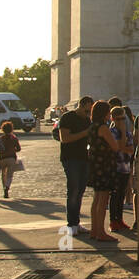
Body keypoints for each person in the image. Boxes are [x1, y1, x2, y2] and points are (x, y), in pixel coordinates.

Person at [57, 96, 94, 234]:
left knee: (80, 192)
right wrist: (85, 133)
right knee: (73, 190)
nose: (88, 114)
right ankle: (71, 224)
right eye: (87, 111)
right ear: (80, 105)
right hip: (70, 158)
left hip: (84, 158)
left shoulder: (87, 120)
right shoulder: (67, 118)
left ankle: (76, 223)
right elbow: (64, 138)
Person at [85, 100, 120, 242]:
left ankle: (94, 230)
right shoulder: (104, 128)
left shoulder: (92, 126)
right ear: (104, 113)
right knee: (103, 199)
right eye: (108, 112)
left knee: (97, 198)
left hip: (95, 165)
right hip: (104, 165)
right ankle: (101, 232)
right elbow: (115, 146)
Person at [108, 105, 134, 231]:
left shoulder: (128, 133)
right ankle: (113, 221)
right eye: (118, 119)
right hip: (115, 168)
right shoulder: (111, 132)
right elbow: (120, 147)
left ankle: (120, 219)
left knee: (121, 195)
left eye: (123, 119)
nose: (121, 121)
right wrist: (123, 133)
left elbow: (130, 149)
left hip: (125, 167)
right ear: (113, 119)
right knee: (115, 195)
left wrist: (123, 145)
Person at [0, 120, 21, 199]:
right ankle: (7, 187)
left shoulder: (0, 138)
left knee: (3, 174)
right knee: (9, 175)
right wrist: (13, 150)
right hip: (11, 158)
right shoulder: (14, 138)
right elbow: (18, 148)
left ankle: (4, 188)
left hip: (2, 158)